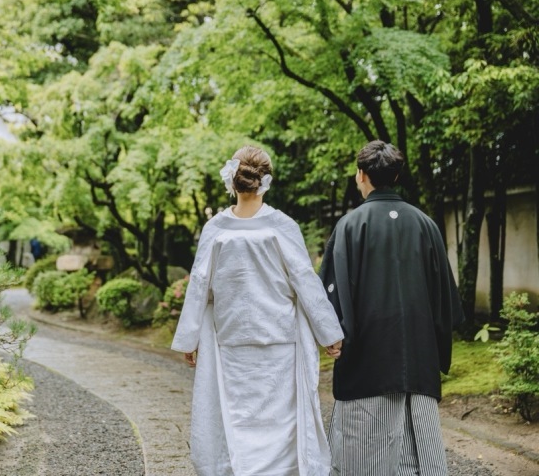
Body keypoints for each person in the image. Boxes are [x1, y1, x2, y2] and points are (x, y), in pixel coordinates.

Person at [172, 145, 344, 476]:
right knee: (280, 423)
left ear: (232, 181)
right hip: (279, 339)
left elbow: (199, 288)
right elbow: (305, 282)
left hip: (231, 340)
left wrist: (190, 339)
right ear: (265, 181)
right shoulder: (282, 225)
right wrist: (329, 333)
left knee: (237, 419)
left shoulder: (216, 229)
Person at [319, 140, 464, 476]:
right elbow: (446, 303)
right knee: (418, 460)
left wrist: (333, 335)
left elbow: (330, 294)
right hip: (418, 362)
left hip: (366, 363)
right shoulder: (426, 224)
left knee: (362, 461)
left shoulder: (350, 226)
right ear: (397, 175)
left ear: (361, 176)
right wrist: (433, 347)